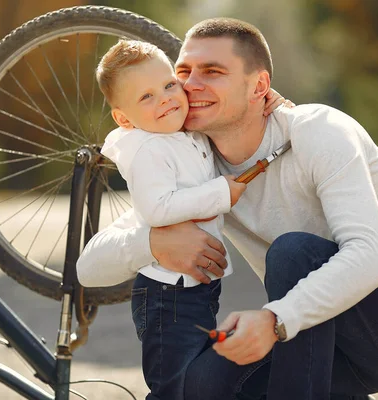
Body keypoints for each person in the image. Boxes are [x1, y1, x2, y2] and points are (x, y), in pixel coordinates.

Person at [78, 18, 378, 400]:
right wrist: (154, 242)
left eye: (212, 72)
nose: (191, 85)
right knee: (199, 386)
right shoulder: (201, 169)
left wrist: (274, 320)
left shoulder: (318, 129)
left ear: (259, 85)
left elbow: (369, 259)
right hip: (319, 336)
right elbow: (89, 267)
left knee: (294, 253)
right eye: (183, 72)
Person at [91, 39, 286, 400]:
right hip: (167, 295)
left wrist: (271, 108)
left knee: (196, 379)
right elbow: (157, 209)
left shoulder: (186, 133)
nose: (165, 98)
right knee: (175, 385)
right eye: (146, 97)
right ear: (124, 119)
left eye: (168, 85)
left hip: (196, 288)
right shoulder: (147, 149)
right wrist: (219, 194)